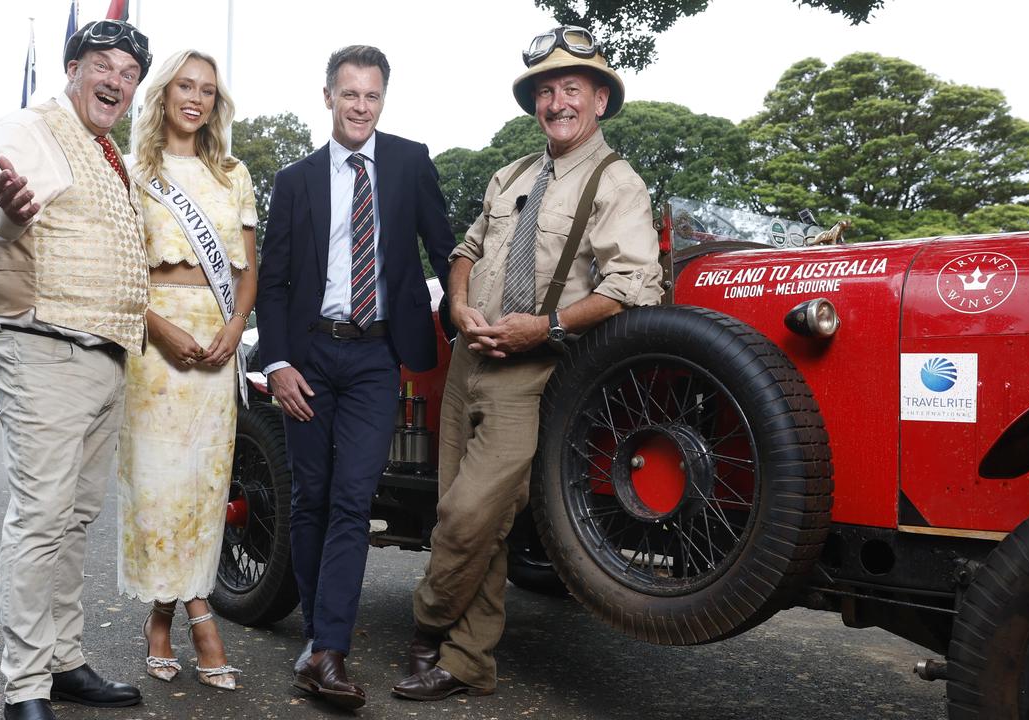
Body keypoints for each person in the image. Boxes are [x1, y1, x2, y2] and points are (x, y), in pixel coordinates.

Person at [393, 26, 664, 702]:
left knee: (468, 517)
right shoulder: (510, 174)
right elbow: (466, 248)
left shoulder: (616, 182)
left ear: (600, 99)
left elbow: (634, 285)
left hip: (532, 372)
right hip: (466, 365)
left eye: (572, 88)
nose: (557, 102)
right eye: (546, 91)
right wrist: (457, 306)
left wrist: (543, 327)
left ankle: (427, 621)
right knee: (466, 517)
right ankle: (469, 662)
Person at [0, 20, 152, 720]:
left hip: (101, 352)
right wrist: (6, 215)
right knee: (41, 518)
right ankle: (25, 685)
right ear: (71, 69)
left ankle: (63, 659)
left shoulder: (107, 152)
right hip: (41, 342)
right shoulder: (29, 127)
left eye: (129, 73)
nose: (116, 81)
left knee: (75, 518)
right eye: (103, 64)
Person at [255, 44, 456, 710]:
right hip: (309, 356)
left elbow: (443, 247)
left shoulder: (409, 162)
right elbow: (275, 281)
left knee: (352, 499)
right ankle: (320, 641)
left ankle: (328, 651)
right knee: (311, 497)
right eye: (349, 94)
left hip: (376, 357)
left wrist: (461, 318)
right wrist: (277, 362)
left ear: (382, 100)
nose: (360, 106)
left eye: (371, 95)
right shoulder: (294, 180)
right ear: (328, 97)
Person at [116, 48, 256, 692]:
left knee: (203, 488)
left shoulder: (232, 174)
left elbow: (247, 271)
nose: (195, 98)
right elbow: (119, 271)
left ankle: (164, 616)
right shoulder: (131, 170)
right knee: (158, 486)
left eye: (207, 89)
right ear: (164, 95)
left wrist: (233, 327)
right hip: (155, 342)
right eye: (184, 86)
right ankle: (197, 615)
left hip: (218, 336)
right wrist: (160, 327)